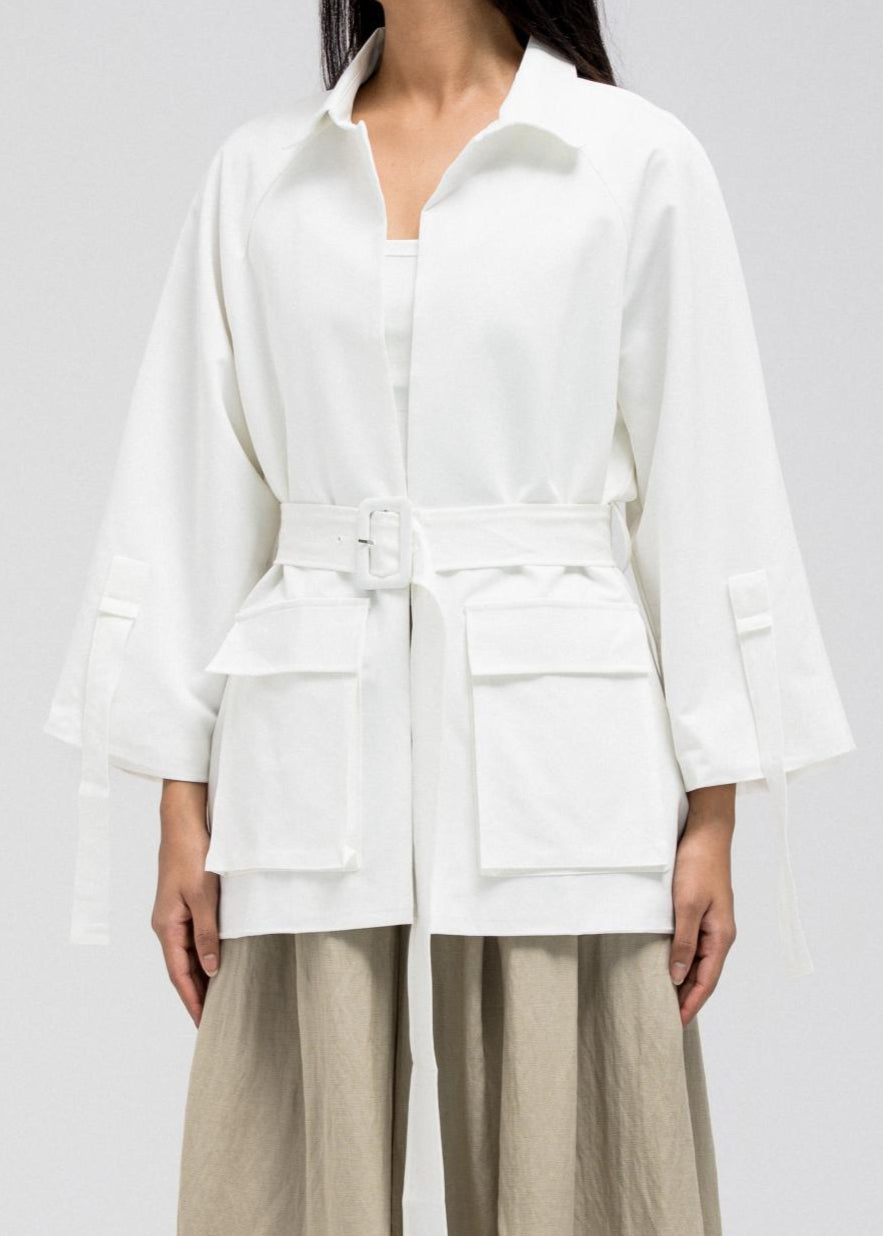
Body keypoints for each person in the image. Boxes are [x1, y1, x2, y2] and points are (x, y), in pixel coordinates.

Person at [44, 2, 855, 1233]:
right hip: (306, 742)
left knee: (582, 1166)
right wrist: (179, 800)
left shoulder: (629, 159)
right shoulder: (261, 177)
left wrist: (713, 810)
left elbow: (708, 479)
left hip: (562, 760)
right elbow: (192, 486)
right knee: (278, 1173)